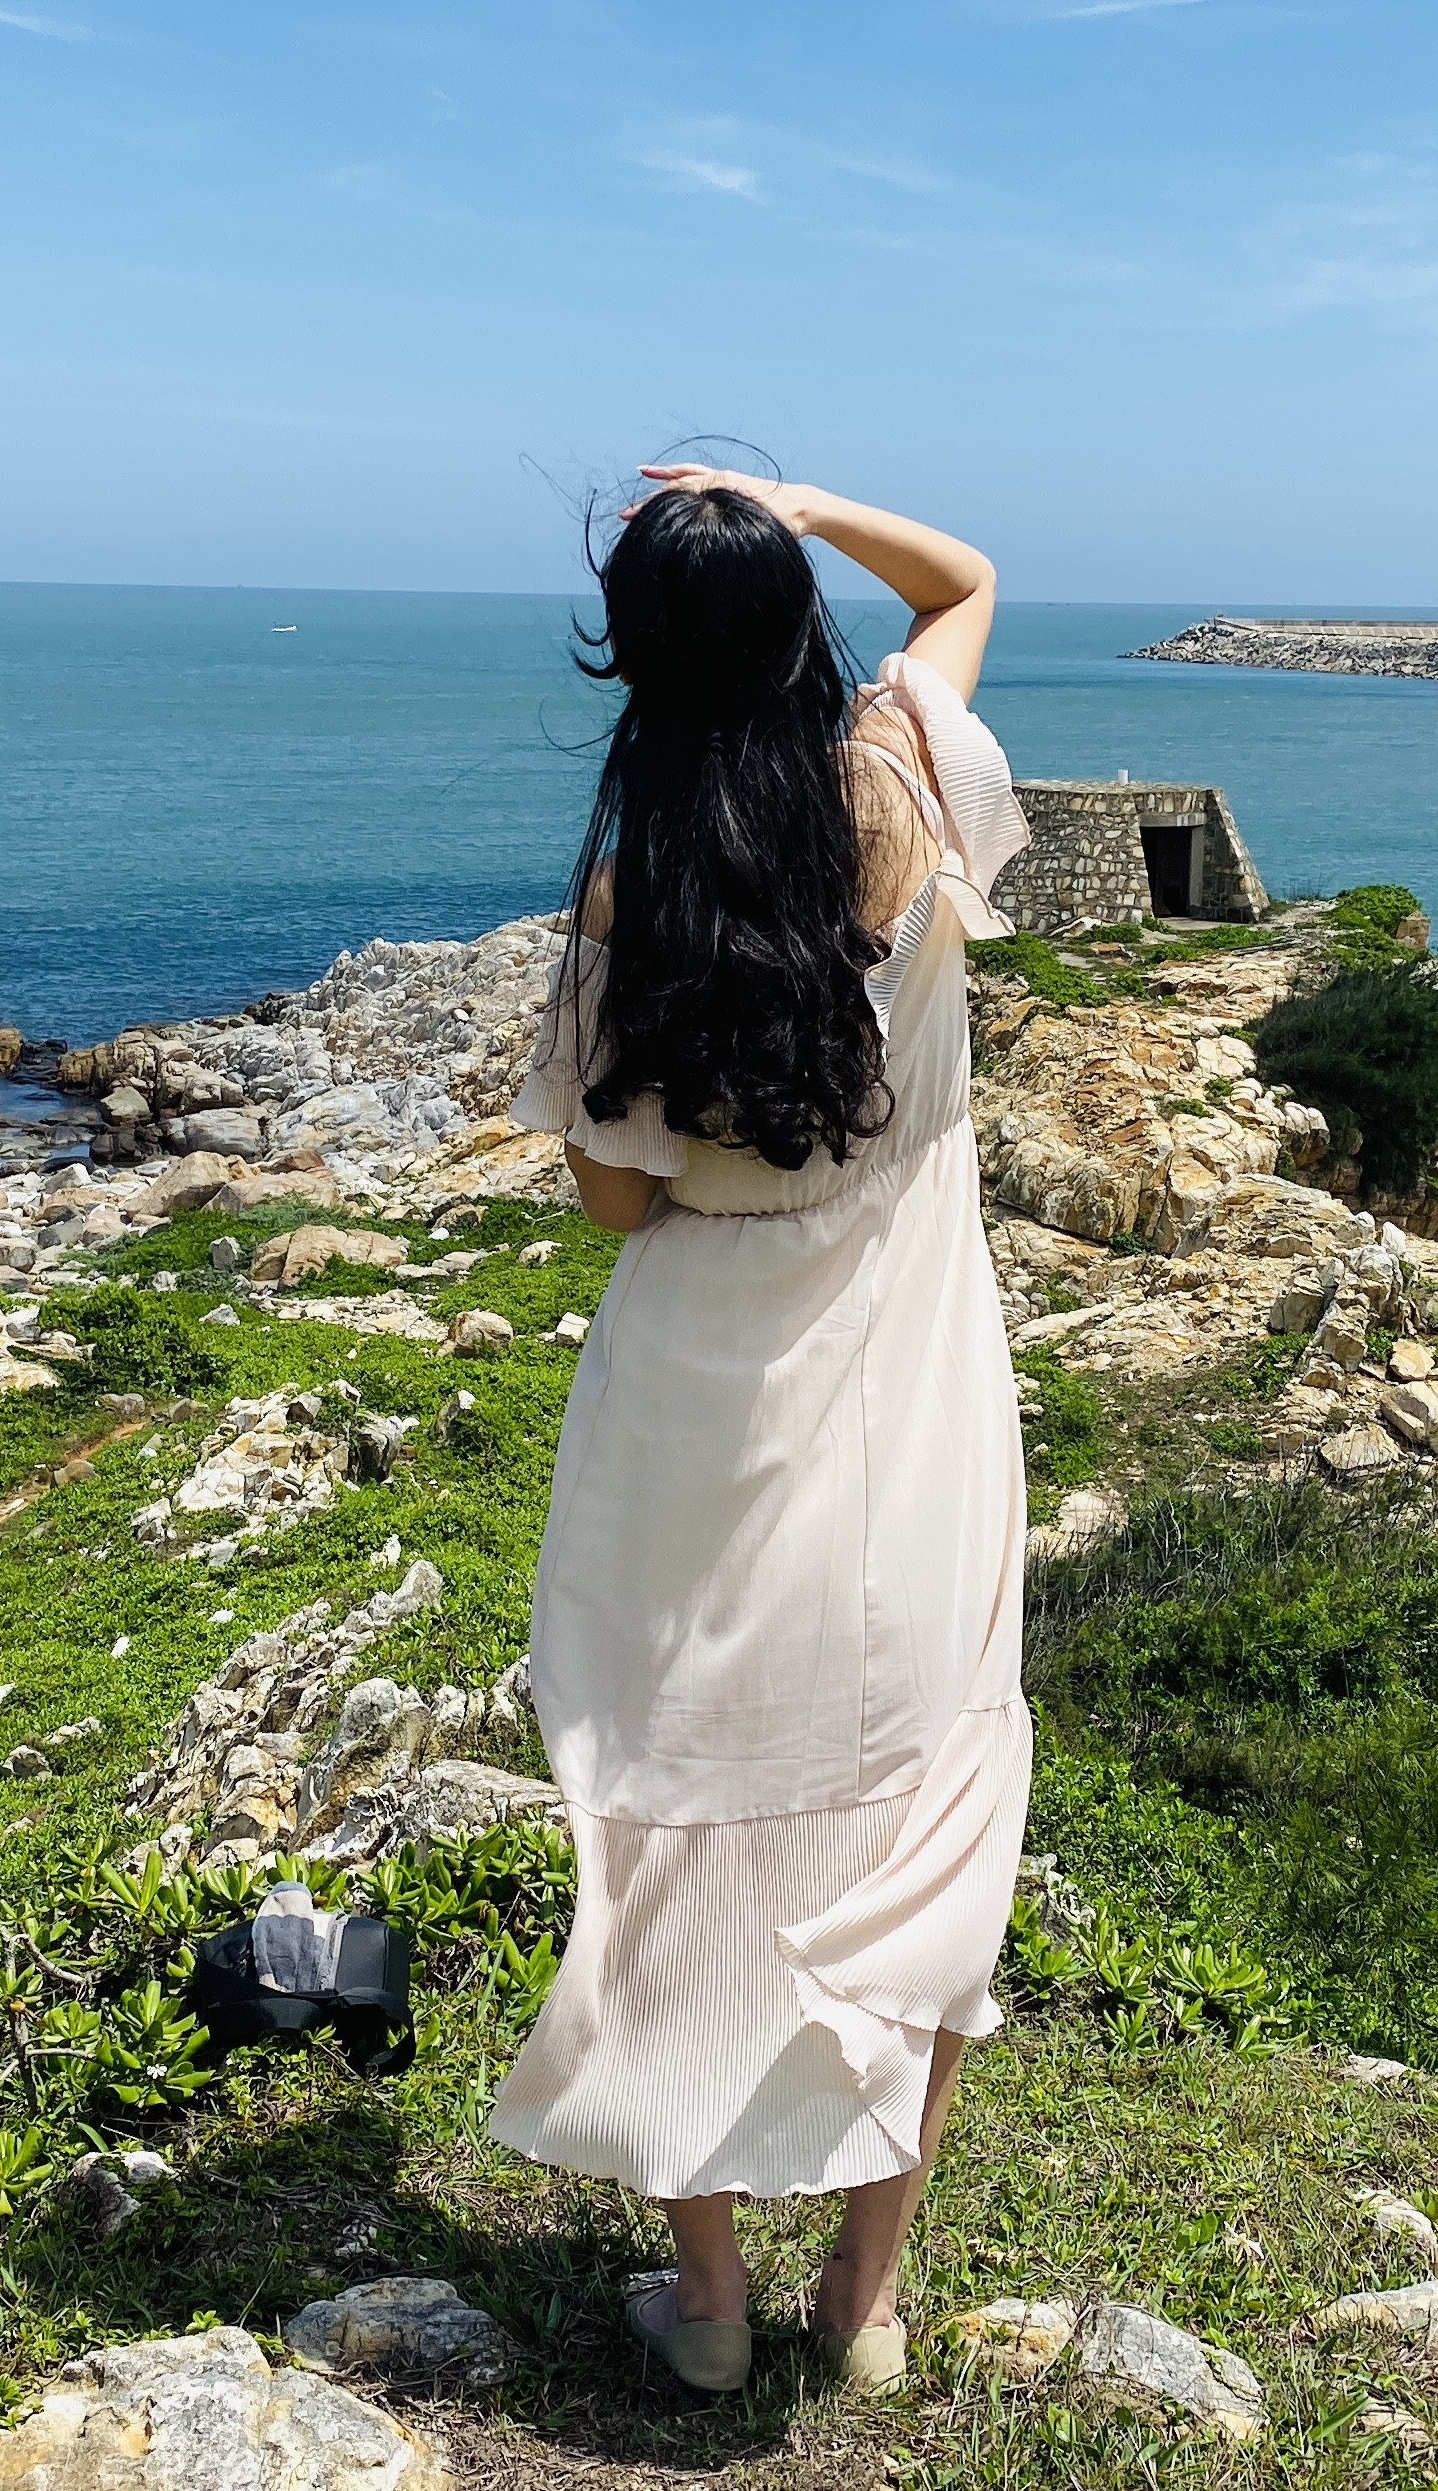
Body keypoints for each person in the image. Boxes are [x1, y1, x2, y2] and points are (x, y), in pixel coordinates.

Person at [487, 463, 1034, 2399]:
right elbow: (966, 578)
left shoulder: (633, 903)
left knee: (663, 1796)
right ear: (804, 627)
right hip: (908, 1368)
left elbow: (614, 1209)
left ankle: (709, 2301)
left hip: (696, 1393)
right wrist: (794, 497)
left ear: (631, 665)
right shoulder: (911, 779)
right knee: (933, 1786)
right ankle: (864, 2300)